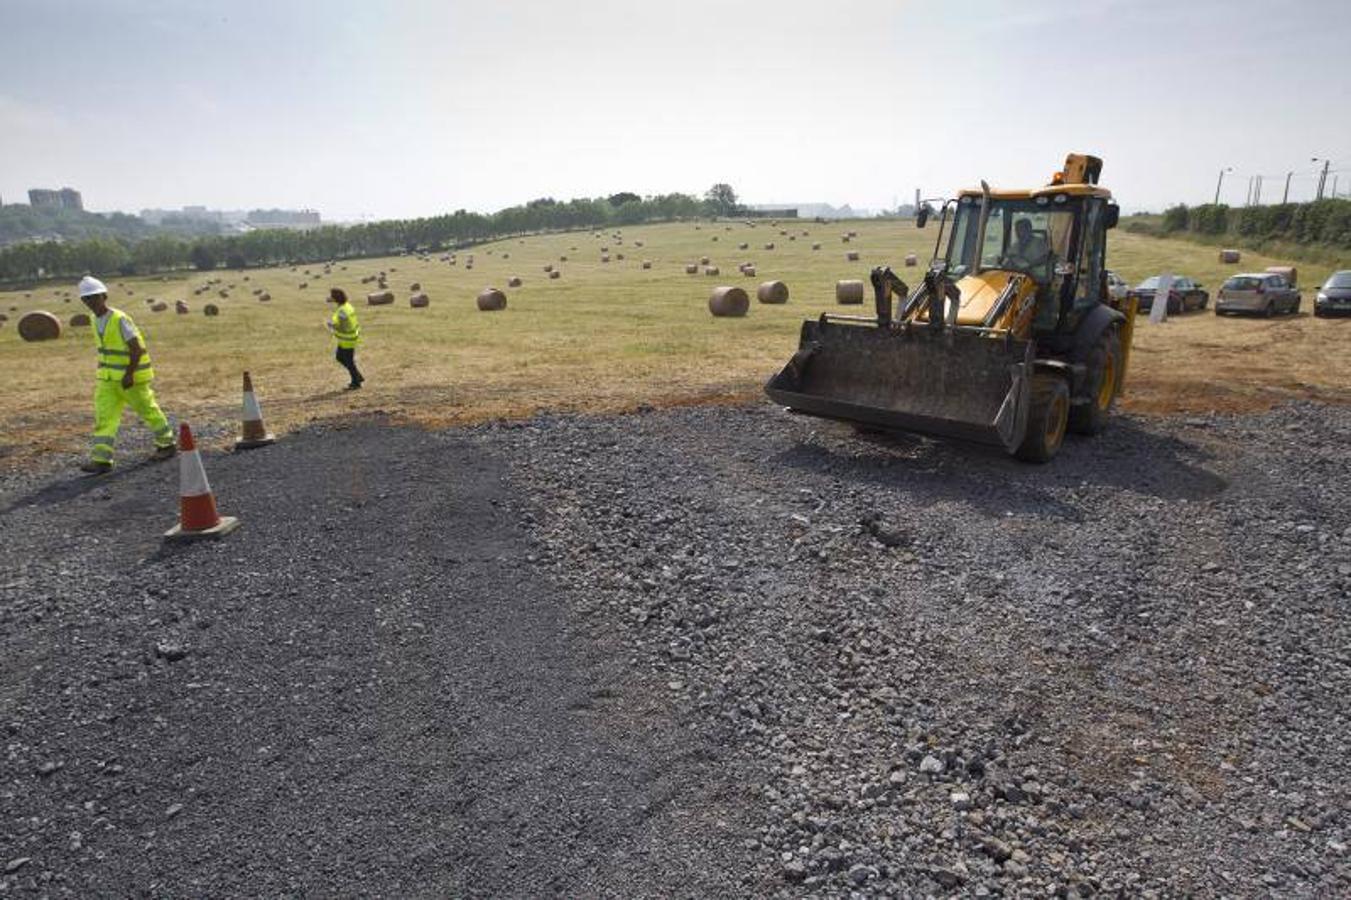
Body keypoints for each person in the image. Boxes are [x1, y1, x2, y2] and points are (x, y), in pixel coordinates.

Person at [77, 276, 176, 475]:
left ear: (104, 296)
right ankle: (101, 460)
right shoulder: (93, 320)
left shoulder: (120, 319)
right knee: (104, 418)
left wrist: (129, 374)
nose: (91, 302)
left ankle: (167, 444)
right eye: (87, 299)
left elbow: (136, 349)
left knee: (147, 410)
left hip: (130, 379)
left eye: (94, 297)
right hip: (107, 380)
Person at [326, 287, 364, 390]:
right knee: (340, 357)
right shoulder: (347, 306)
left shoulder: (342, 310)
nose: (330, 298)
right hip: (349, 338)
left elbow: (342, 325)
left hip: (347, 339)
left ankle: (356, 383)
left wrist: (331, 325)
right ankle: (358, 377)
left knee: (348, 361)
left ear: (336, 298)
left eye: (332, 296)